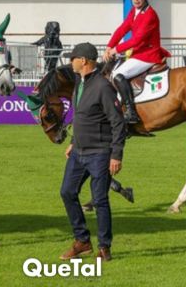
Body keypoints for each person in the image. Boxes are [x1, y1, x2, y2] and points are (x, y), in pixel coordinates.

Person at [59, 42, 126, 262]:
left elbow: (118, 122)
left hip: (100, 153)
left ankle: (104, 247)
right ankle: (82, 241)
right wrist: (72, 141)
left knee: (99, 200)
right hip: (78, 151)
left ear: (84, 61)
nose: (70, 62)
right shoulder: (79, 82)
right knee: (67, 192)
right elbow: (80, 116)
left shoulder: (103, 87)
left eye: (73, 58)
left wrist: (116, 155)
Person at [103, 0, 171, 124]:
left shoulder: (150, 15)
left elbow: (136, 40)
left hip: (148, 56)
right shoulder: (134, 11)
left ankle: (131, 112)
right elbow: (123, 29)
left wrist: (115, 50)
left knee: (117, 74)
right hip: (139, 53)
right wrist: (109, 46)